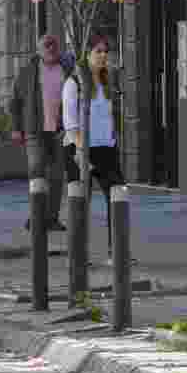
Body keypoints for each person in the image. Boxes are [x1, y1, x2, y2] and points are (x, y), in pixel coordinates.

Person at [62, 34, 124, 261]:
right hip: (80, 148)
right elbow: (70, 123)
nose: (103, 55)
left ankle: (116, 252)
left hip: (106, 148)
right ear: (87, 54)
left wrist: (114, 139)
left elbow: (109, 115)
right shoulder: (74, 83)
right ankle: (79, 253)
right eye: (98, 51)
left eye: (105, 51)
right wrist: (80, 151)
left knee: (118, 196)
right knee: (80, 201)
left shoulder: (108, 81)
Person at [10, 33, 73, 231]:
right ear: (39, 50)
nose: (51, 49)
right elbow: (15, 101)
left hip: (59, 130)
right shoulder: (28, 71)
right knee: (36, 169)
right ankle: (37, 215)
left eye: (54, 45)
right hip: (34, 129)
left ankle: (52, 217)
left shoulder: (67, 69)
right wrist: (16, 128)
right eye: (47, 46)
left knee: (56, 175)